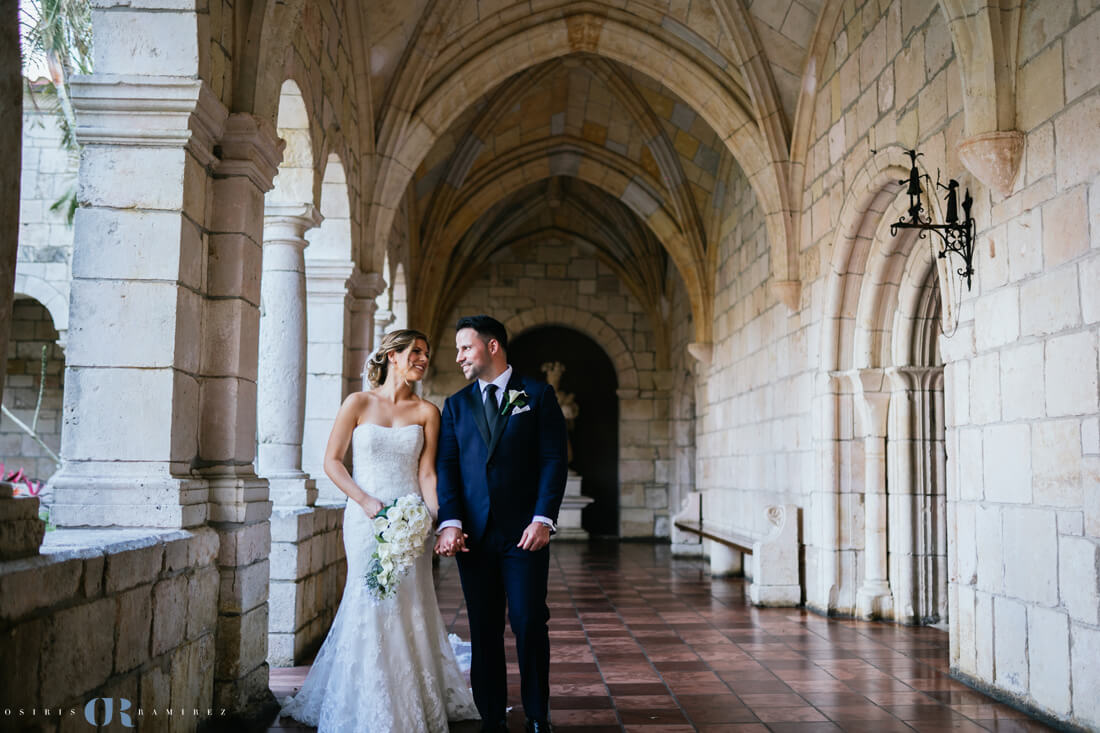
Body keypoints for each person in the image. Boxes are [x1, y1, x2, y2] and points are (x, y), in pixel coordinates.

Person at [279, 329, 479, 733]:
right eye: (416, 352)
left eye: (426, 354)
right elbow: (332, 462)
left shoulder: (427, 412)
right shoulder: (357, 403)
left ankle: (411, 700)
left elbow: (426, 472)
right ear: (392, 355)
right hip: (365, 520)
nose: (423, 359)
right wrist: (367, 503)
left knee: (411, 603)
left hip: (410, 522)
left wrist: (441, 521)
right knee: (366, 600)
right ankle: (364, 697)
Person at [435, 315, 568, 733]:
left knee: (529, 621)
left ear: (492, 347)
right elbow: (448, 467)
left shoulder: (538, 394)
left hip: (525, 533)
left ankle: (536, 715)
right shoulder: (455, 405)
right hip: (473, 535)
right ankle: (490, 716)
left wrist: (543, 518)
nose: (459, 357)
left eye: (465, 348)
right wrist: (451, 521)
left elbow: (553, 459)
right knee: (484, 627)